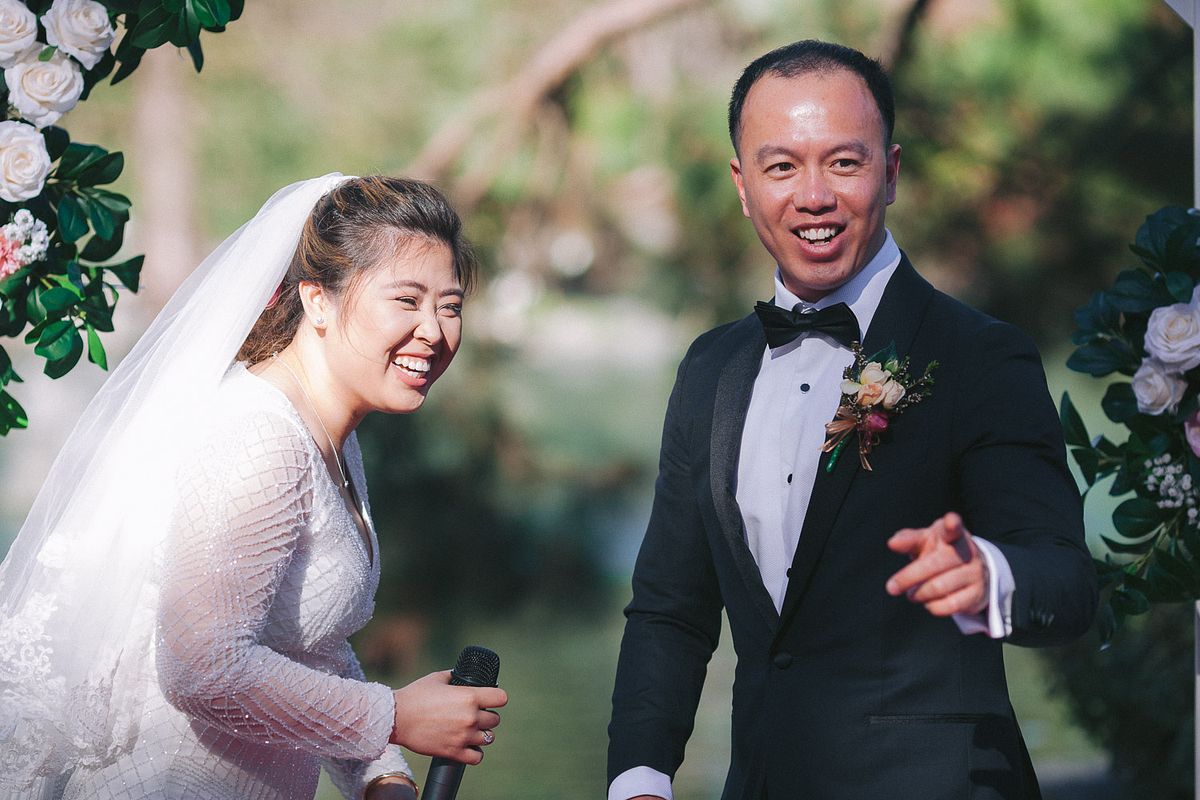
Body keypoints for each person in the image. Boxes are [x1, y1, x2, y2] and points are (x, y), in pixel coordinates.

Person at [607, 40, 1097, 800]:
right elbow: (670, 610)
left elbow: (1066, 580)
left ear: (891, 172)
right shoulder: (710, 368)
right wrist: (640, 777)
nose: (814, 196)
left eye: (843, 163)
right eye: (781, 167)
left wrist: (987, 576)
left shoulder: (979, 355)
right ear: (742, 186)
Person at [0, 174, 507, 800]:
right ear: (317, 301)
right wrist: (394, 715)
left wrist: (380, 774)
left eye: (450, 306)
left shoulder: (331, 434)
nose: (433, 329)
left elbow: (306, 642)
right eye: (407, 300)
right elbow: (202, 668)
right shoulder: (260, 439)